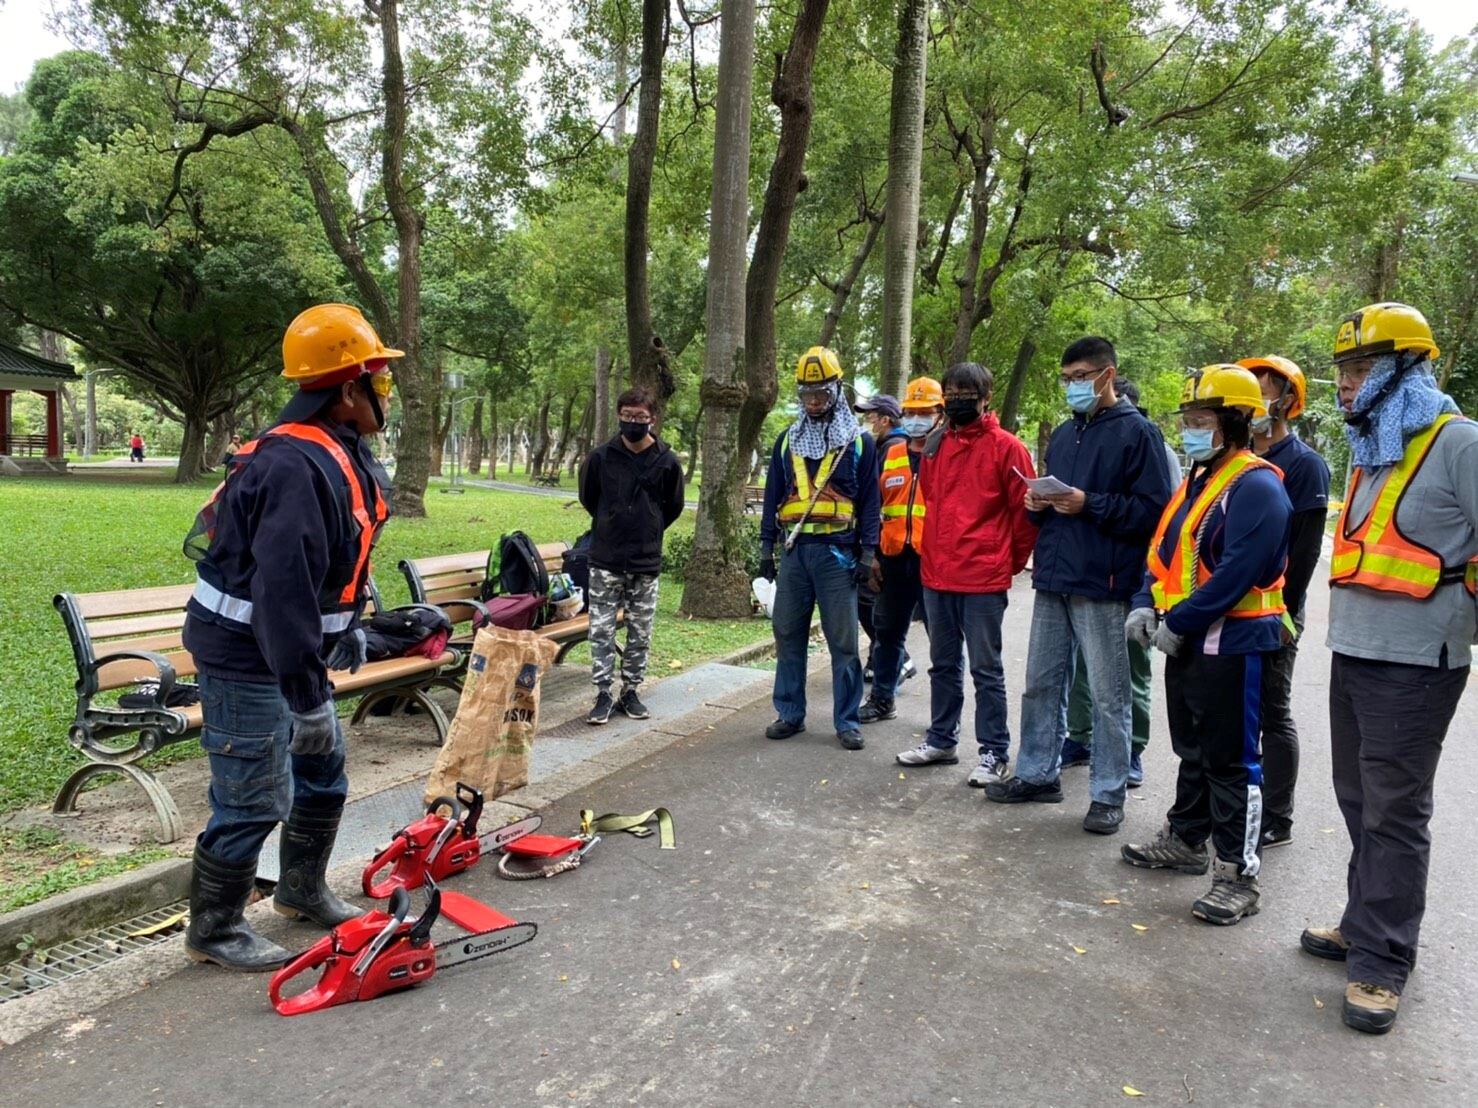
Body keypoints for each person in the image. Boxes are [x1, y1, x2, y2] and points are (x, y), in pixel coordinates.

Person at [180, 303, 400, 970]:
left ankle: (301, 890)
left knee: (322, 777)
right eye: (380, 381)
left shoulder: (337, 450)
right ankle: (213, 929)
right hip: (248, 656)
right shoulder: (294, 467)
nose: (386, 394)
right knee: (254, 798)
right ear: (348, 388)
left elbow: (331, 566)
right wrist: (306, 696)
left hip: (292, 653)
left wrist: (347, 632)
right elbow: (281, 592)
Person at [1306, 303, 1477, 1035]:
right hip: (1358, 650)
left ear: (1407, 367)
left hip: (1417, 662)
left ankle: (1382, 962)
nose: (1345, 384)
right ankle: (1361, 921)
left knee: (1395, 813)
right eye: (1342, 370)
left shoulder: (1458, 441)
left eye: (1359, 368)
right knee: (1356, 797)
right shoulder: (1376, 444)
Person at [1120, 365, 1291, 926]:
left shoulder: (1257, 485)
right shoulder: (1197, 481)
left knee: (1233, 760)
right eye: (1188, 421)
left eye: (1200, 421)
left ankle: (1239, 874)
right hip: (1188, 640)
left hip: (1234, 642)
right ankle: (1187, 838)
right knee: (1192, 748)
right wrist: (1146, 601)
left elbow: (1236, 574)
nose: (1190, 430)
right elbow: (1164, 550)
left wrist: (1183, 619)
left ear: (1235, 423)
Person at [985, 338, 1173, 833]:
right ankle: (1036, 773)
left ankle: (1109, 793)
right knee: (1041, 684)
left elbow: (1156, 512)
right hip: (1054, 577)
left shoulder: (1139, 434)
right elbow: (1057, 500)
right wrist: (1036, 505)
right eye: (1065, 378)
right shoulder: (1066, 434)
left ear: (1108, 375)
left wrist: (1090, 503)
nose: (1072, 386)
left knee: (1111, 695)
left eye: (1080, 376)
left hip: (1105, 582)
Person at [895, 362, 1036, 784]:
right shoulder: (937, 445)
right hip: (937, 574)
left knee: (986, 669)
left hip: (982, 579)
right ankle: (941, 739)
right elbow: (932, 502)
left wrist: (1002, 565)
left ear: (985, 397)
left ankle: (994, 751)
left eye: (965, 393)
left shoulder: (1008, 447)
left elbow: (1024, 515)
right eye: (951, 393)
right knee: (942, 663)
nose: (957, 400)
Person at [759, 346, 880, 751]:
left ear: (837, 391)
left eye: (821, 394)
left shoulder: (859, 442)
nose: (813, 402)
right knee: (787, 633)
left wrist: (867, 554)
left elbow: (871, 503)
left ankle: (846, 721)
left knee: (843, 642)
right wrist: (765, 551)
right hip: (795, 553)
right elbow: (773, 497)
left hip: (838, 554)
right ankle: (789, 713)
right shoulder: (786, 442)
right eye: (807, 395)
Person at [1059, 377, 1178, 787]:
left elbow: (1165, 519)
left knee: (1130, 670)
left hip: (1133, 575)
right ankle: (1079, 737)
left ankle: (1132, 750)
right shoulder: (1084, 442)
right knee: (1081, 669)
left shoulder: (1153, 447)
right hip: (1084, 573)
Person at [1238, 355, 1329, 849]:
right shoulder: (1233, 457)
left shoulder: (1305, 466)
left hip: (1276, 612)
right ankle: (1234, 804)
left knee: (1273, 711)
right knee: (1234, 712)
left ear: (1288, 401)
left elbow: (1305, 551)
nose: (1255, 402)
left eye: (1264, 391)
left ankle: (1277, 817)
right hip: (1230, 610)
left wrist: (1282, 614)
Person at [578, 386, 687, 725]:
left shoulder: (667, 461)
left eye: (640, 418)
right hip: (605, 559)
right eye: (627, 417)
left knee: (640, 631)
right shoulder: (600, 457)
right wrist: (612, 523)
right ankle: (603, 693)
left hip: (645, 561)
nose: (633, 423)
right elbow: (589, 499)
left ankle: (631, 691)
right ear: (619, 417)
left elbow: (674, 506)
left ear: (652, 419)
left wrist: (649, 528)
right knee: (601, 631)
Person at [858, 378, 940, 725]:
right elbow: (875, 507)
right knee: (887, 634)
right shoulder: (891, 453)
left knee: (944, 644)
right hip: (893, 558)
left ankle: (943, 720)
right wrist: (873, 554)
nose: (917, 418)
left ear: (940, 414)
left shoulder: (946, 452)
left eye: (925, 412)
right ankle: (882, 700)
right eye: (911, 412)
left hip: (934, 562)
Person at [853, 394, 914, 686]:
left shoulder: (892, 449)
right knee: (878, 607)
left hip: (889, 546)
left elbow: (876, 501)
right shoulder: (891, 447)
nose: (869, 421)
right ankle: (885, 660)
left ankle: (897, 662)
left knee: (870, 602)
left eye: (872, 416)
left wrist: (871, 550)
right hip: (891, 544)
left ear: (886, 419)